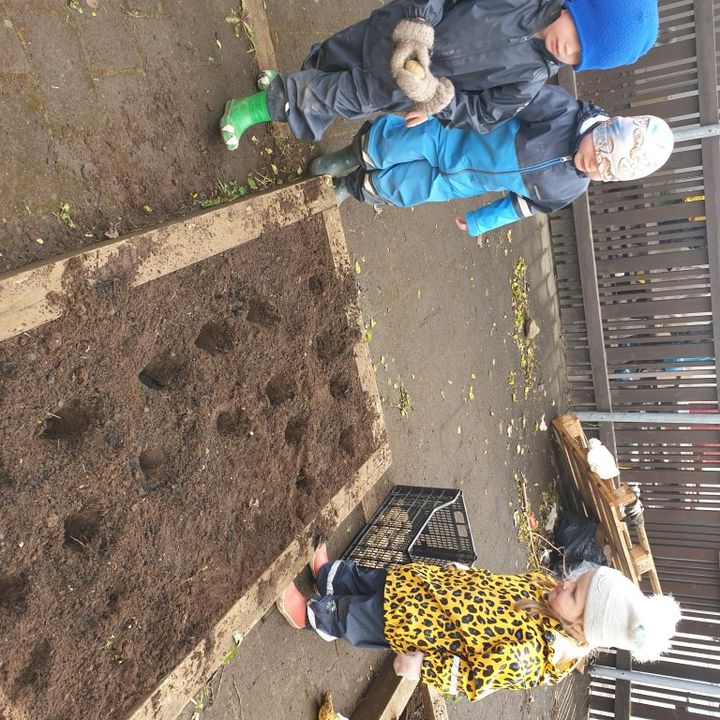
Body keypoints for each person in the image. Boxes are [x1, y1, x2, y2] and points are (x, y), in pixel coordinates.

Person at [219, 0, 660, 149]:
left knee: (331, 96)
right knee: (331, 59)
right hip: (392, 32)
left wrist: (435, 98)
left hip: (401, 86)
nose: (569, 49)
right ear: (578, 6)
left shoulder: (531, 78)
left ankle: (253, 108)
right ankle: (285, 85)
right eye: (580, 33)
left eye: (581, 55)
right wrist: (417, 26)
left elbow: (483, 114)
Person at [277, 546, 681, 701]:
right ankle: (330, 575)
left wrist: (423, 668)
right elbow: (498, 585)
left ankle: (309, 615)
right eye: (579, 578)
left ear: (580, 628)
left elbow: (472, 679)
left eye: (574, 593)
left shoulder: (530, 655)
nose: (566, 583)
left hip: (415, 626)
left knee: (355, 615)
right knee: (373, 581)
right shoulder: (545, 591)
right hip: (427, 588)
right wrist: (471, 574)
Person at [306, 85, 674, 238]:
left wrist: (481, 221)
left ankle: (350, 186)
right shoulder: (561, 112)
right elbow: (502, 98)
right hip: (449, 134)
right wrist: (442, 105)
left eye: (603, 172)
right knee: (389, 143)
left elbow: (522, 206)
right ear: (605, 129)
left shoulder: (569, 187)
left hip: (456, 182)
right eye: (598, 155)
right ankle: (347, 157)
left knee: (400, 189)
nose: (592, 166)